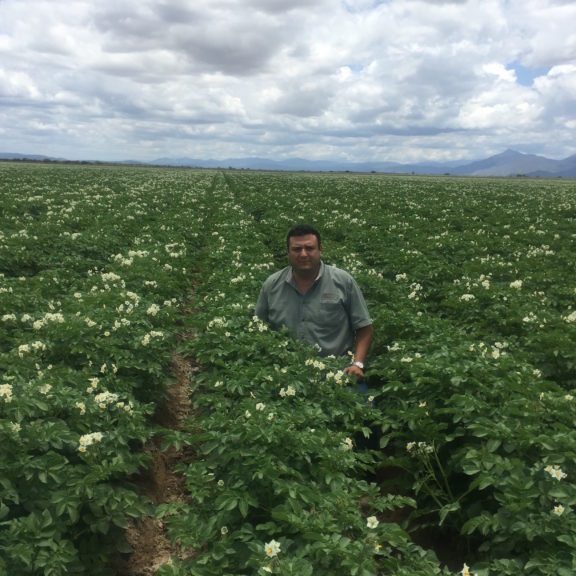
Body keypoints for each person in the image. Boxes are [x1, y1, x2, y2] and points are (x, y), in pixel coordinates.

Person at [255, 224, 372, 378]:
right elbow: (258, 328)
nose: (303, 254)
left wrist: (357, 364)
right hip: (285, 375)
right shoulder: (272, 285)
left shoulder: (343, 282)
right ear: (287, 252)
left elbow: (364, 327)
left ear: (320, 249)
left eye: (309, 248)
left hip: (337, 373)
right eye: (297, 249)